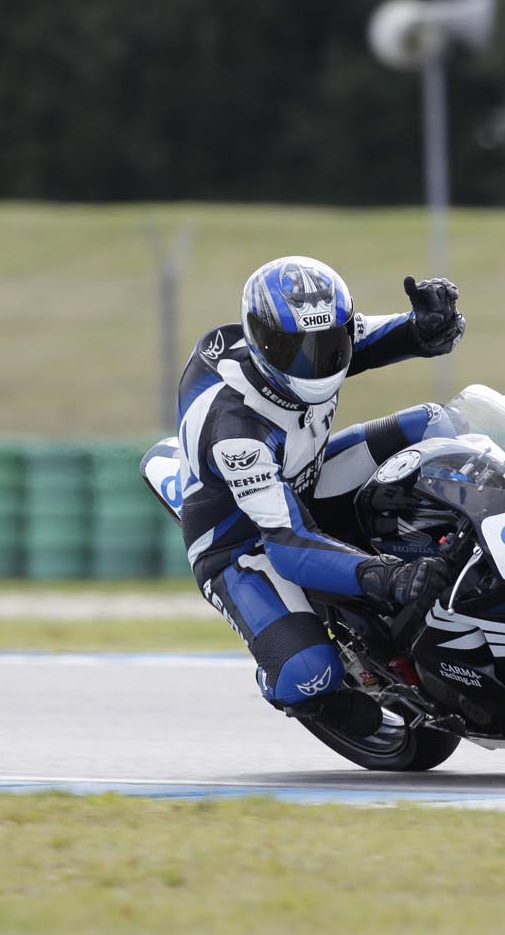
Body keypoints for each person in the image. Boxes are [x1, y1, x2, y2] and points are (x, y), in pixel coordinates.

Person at [144, 256, 466, 737]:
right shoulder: (235, 432)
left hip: (304, 481)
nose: (315, 363)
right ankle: (300, 694)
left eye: (327, 346)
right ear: (260, 344)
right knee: (307, 675)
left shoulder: (315, 334)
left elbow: (386, 335)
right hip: (244, 541)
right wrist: (388, 577)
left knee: (435, 424)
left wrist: (431, 326)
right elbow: (288, 543)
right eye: (296, 351)